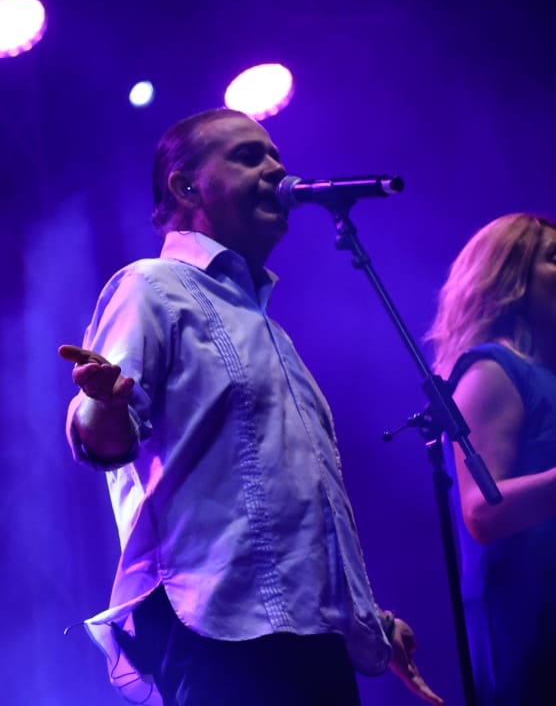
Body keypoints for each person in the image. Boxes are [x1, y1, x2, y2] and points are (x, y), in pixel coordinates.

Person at [60, 107, 441, 705]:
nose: (275, 169)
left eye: (276, 157)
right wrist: (104, 406)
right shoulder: (151, 285)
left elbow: (302, 506)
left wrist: (371, 620)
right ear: (185, 187)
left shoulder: (269, 329)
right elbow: (101, 438)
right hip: (221, 634)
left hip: (312, 639)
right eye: (248, 157)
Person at [427, 212, 556, 706]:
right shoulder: (493, 369)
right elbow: (482, 508)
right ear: (510, 279)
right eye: (553, 258)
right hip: (529, 625)